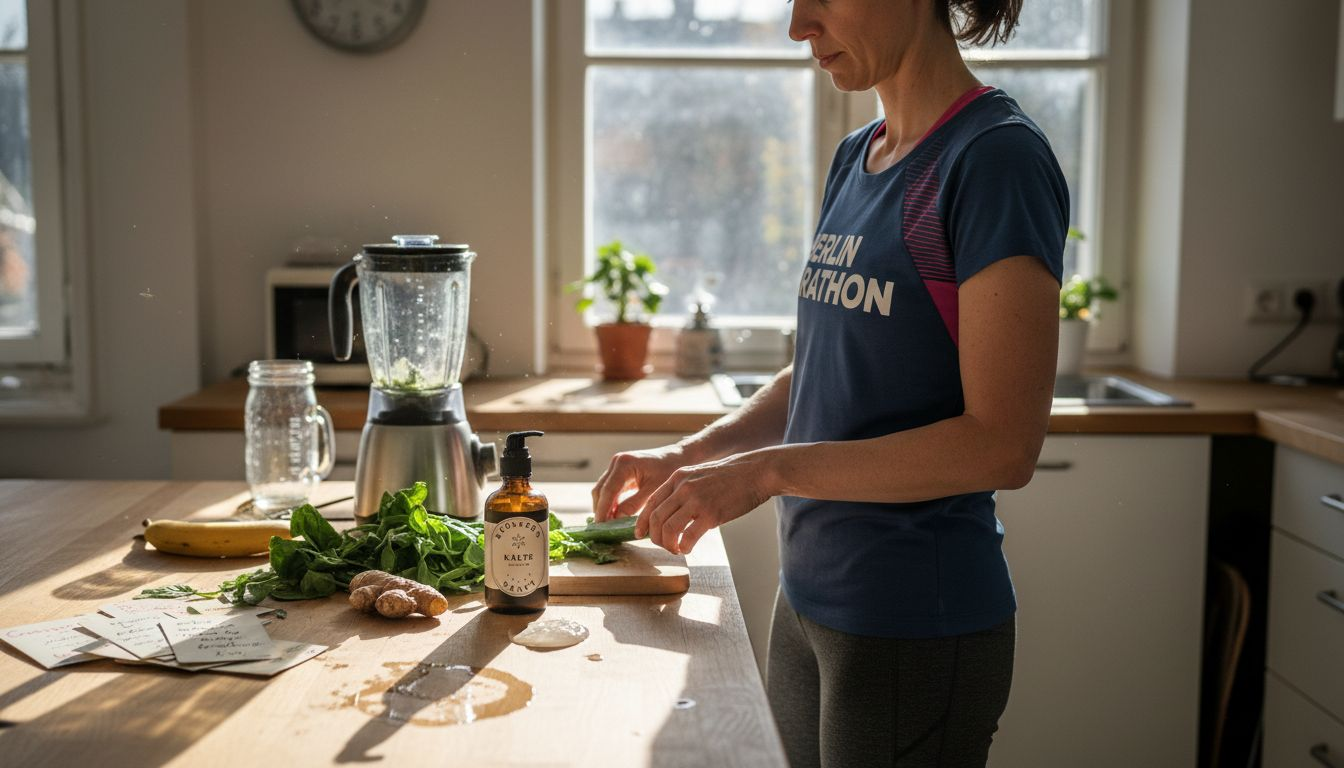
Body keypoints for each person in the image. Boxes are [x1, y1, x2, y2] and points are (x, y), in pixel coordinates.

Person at [591, 0, 1067, 765]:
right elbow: (823, 367)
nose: (798, 25)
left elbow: (1002, 445)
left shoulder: (994, 159)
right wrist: (689, 456)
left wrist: (766, 473)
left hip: (912, 620)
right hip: (809, 600)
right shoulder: (857, 157)